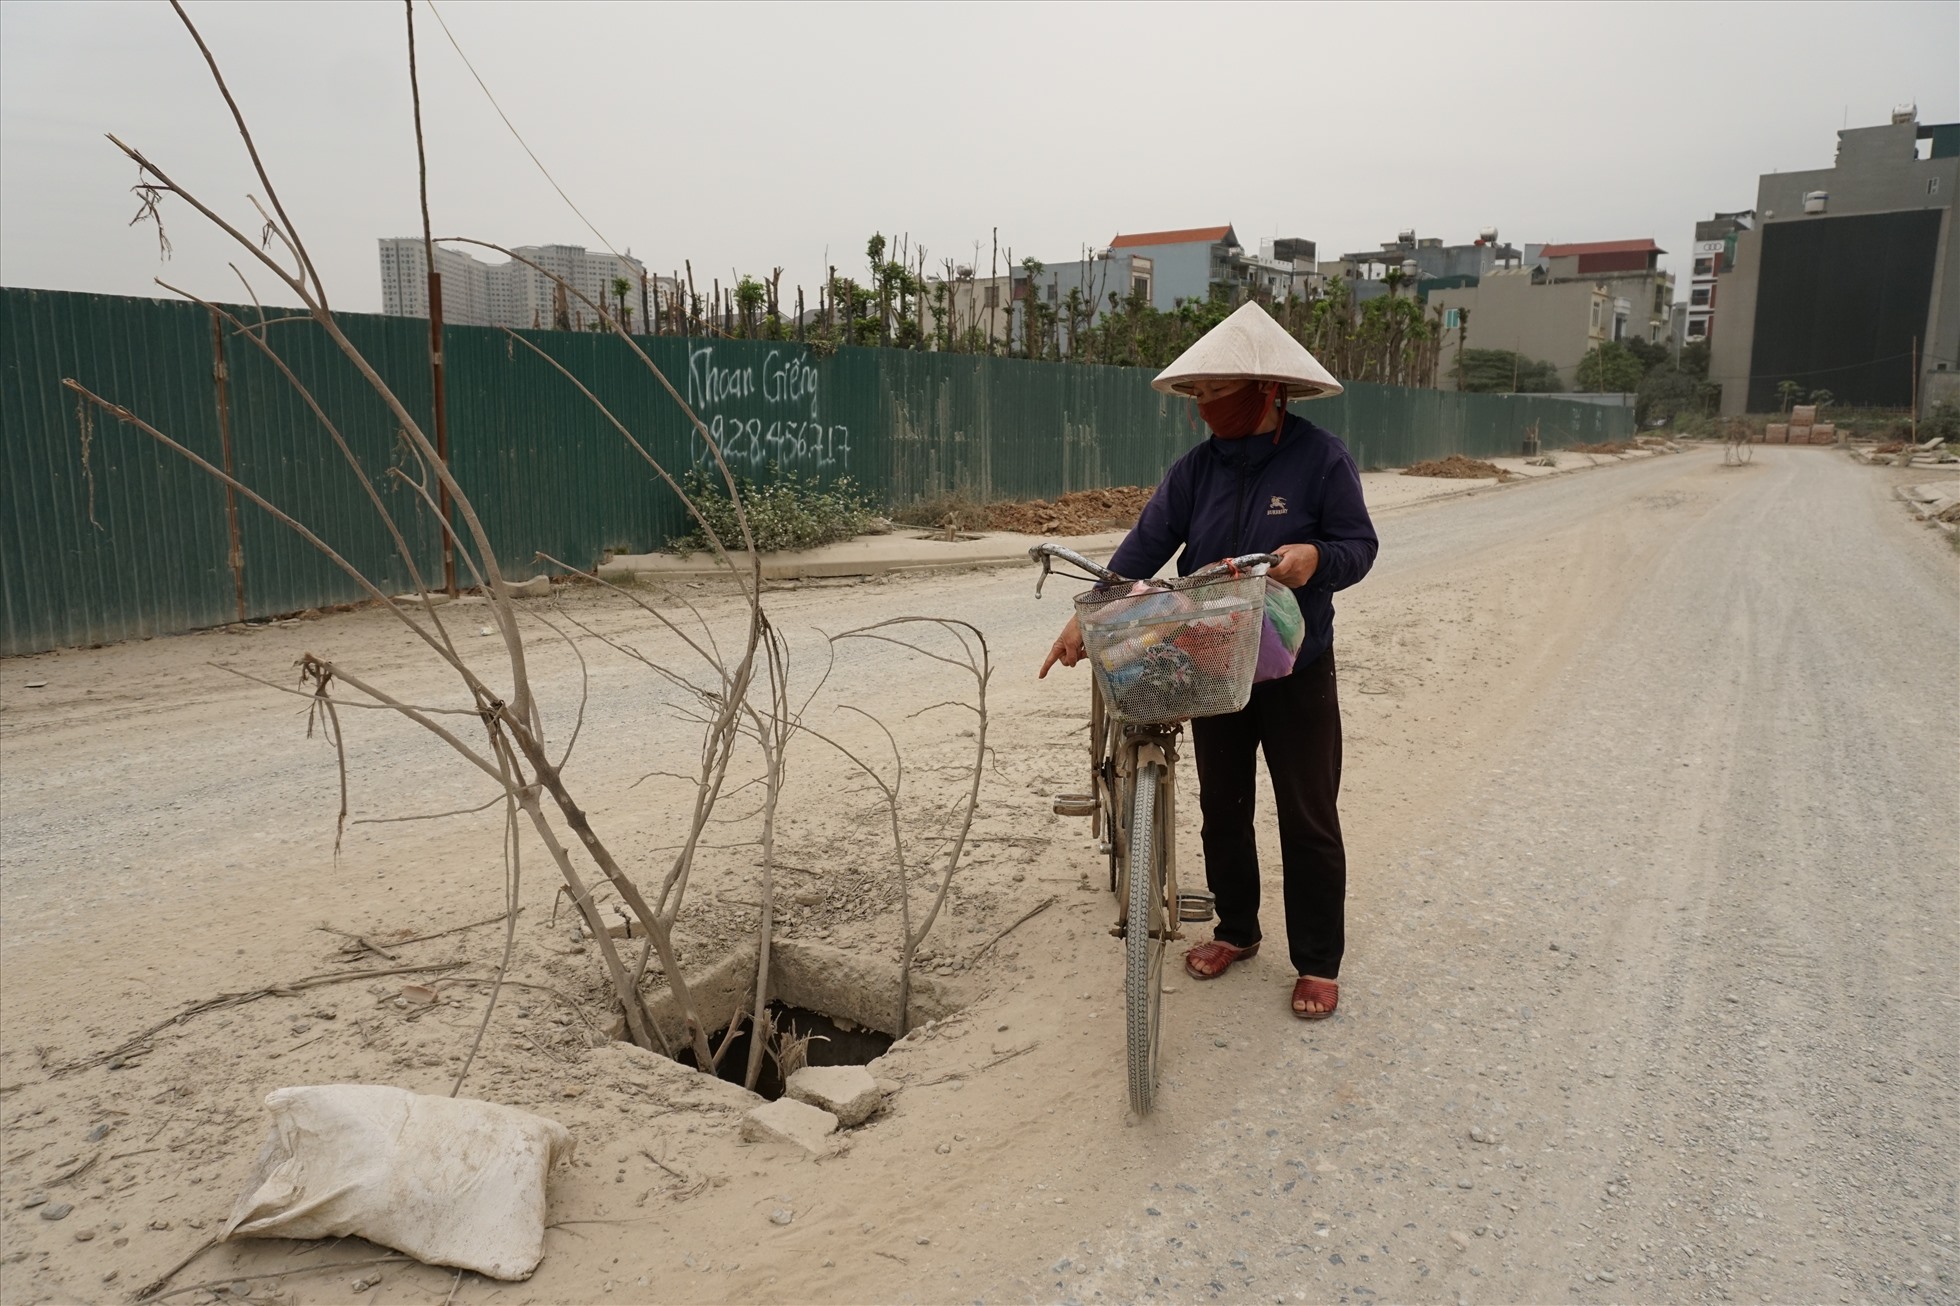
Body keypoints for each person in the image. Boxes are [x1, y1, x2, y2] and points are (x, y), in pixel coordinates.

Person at [1037, 302, 1378, 1019]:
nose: (1203, 408)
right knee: (1223, 809)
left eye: (1215, 392)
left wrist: (1315, 558)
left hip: (1295, 667)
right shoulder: (1195, 471)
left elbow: (1359, 548)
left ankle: (1317, 961)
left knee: (1308, 814)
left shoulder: (1322, 459)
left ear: (1266, 389)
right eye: (1197, 395)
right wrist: (1083, 615)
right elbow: (1143, 547)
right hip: (1212, 662)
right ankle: (1237, 930)